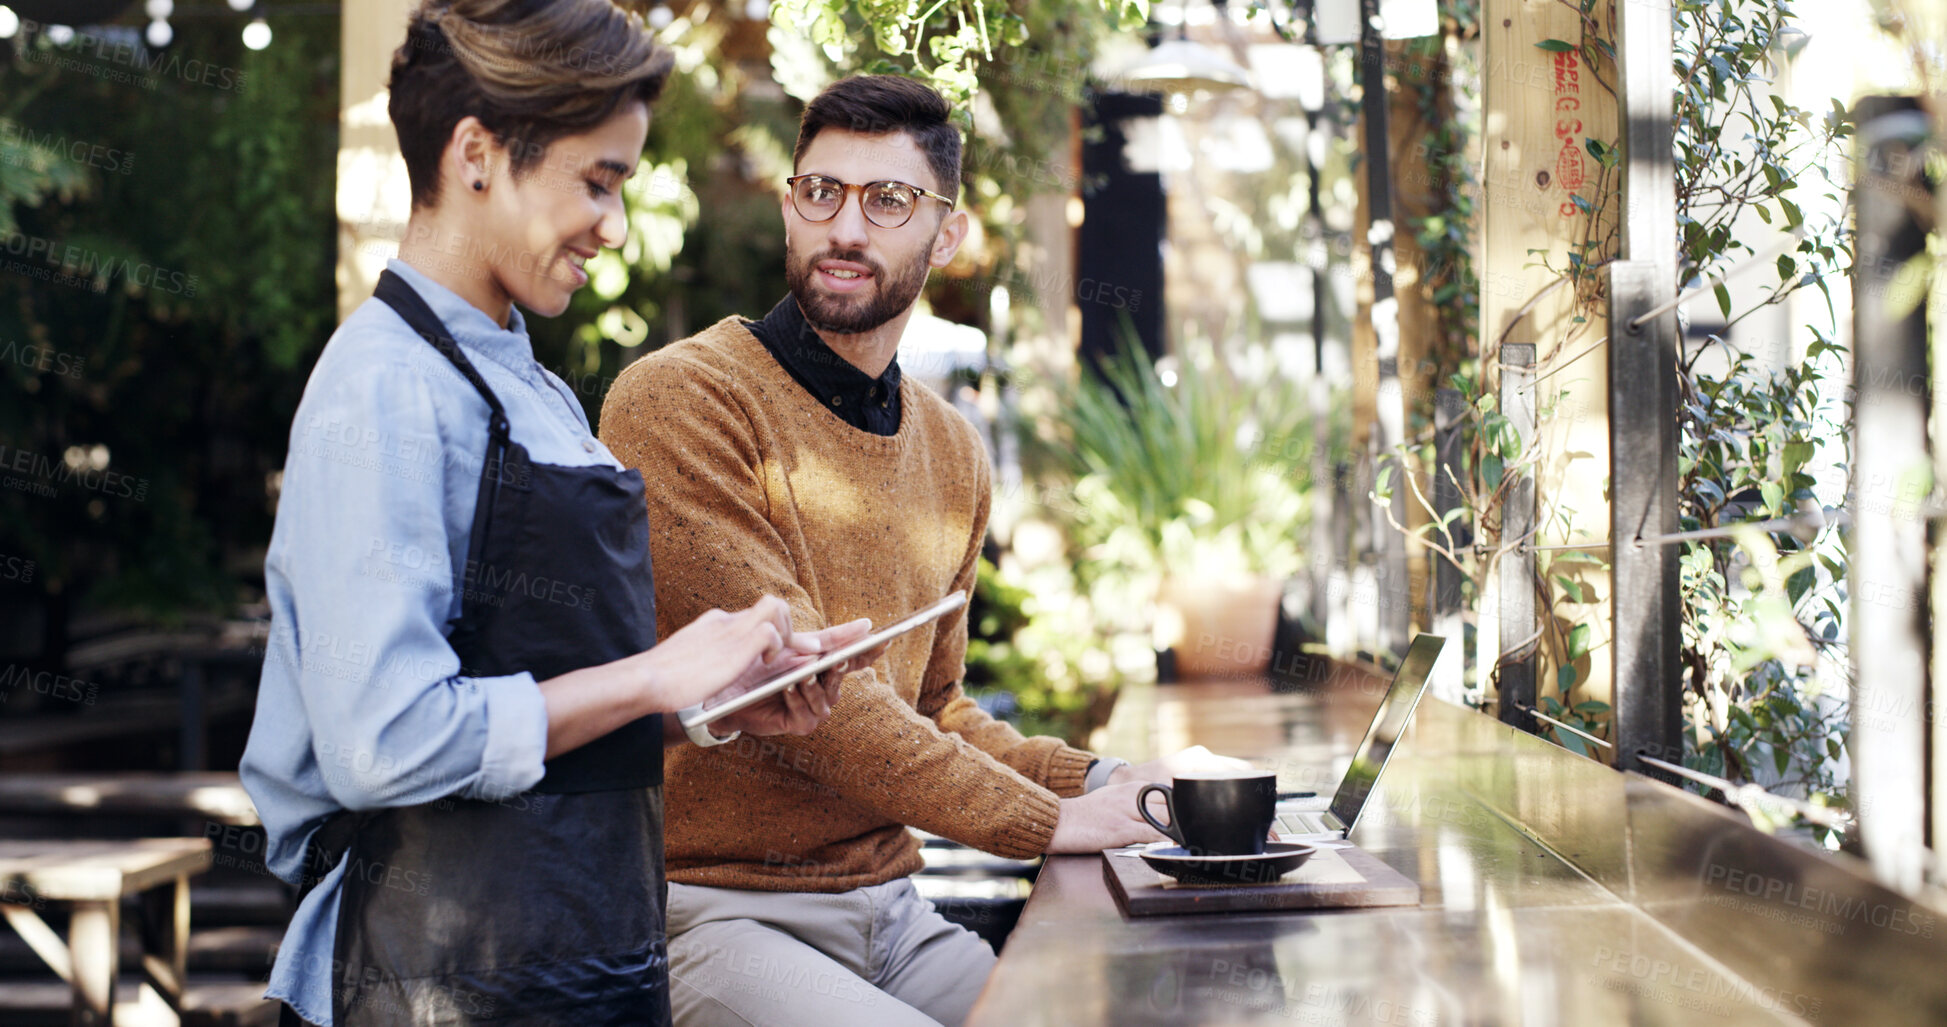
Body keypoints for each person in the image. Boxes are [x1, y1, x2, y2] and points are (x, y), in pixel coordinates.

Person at [238, 4, 878, 1024]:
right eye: (598, 181)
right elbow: (384, 738)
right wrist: (650, 673)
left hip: (584, 962)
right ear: (478, 154)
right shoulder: (384, 389)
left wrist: (710, 702)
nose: (614, 225)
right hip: (433, 981)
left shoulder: (527, 387)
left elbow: (529, 701)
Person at [599, 74, 1241, 1027]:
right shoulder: (680, 402)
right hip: (716, 912)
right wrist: (1050, 824)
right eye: (821, 192)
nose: (846, 229)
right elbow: (808, 696)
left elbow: (932, 706)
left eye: (888, 200)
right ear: (789, 206)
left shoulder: (950, 448)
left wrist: (1102, 780)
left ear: (945, 233)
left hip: (890, 913)